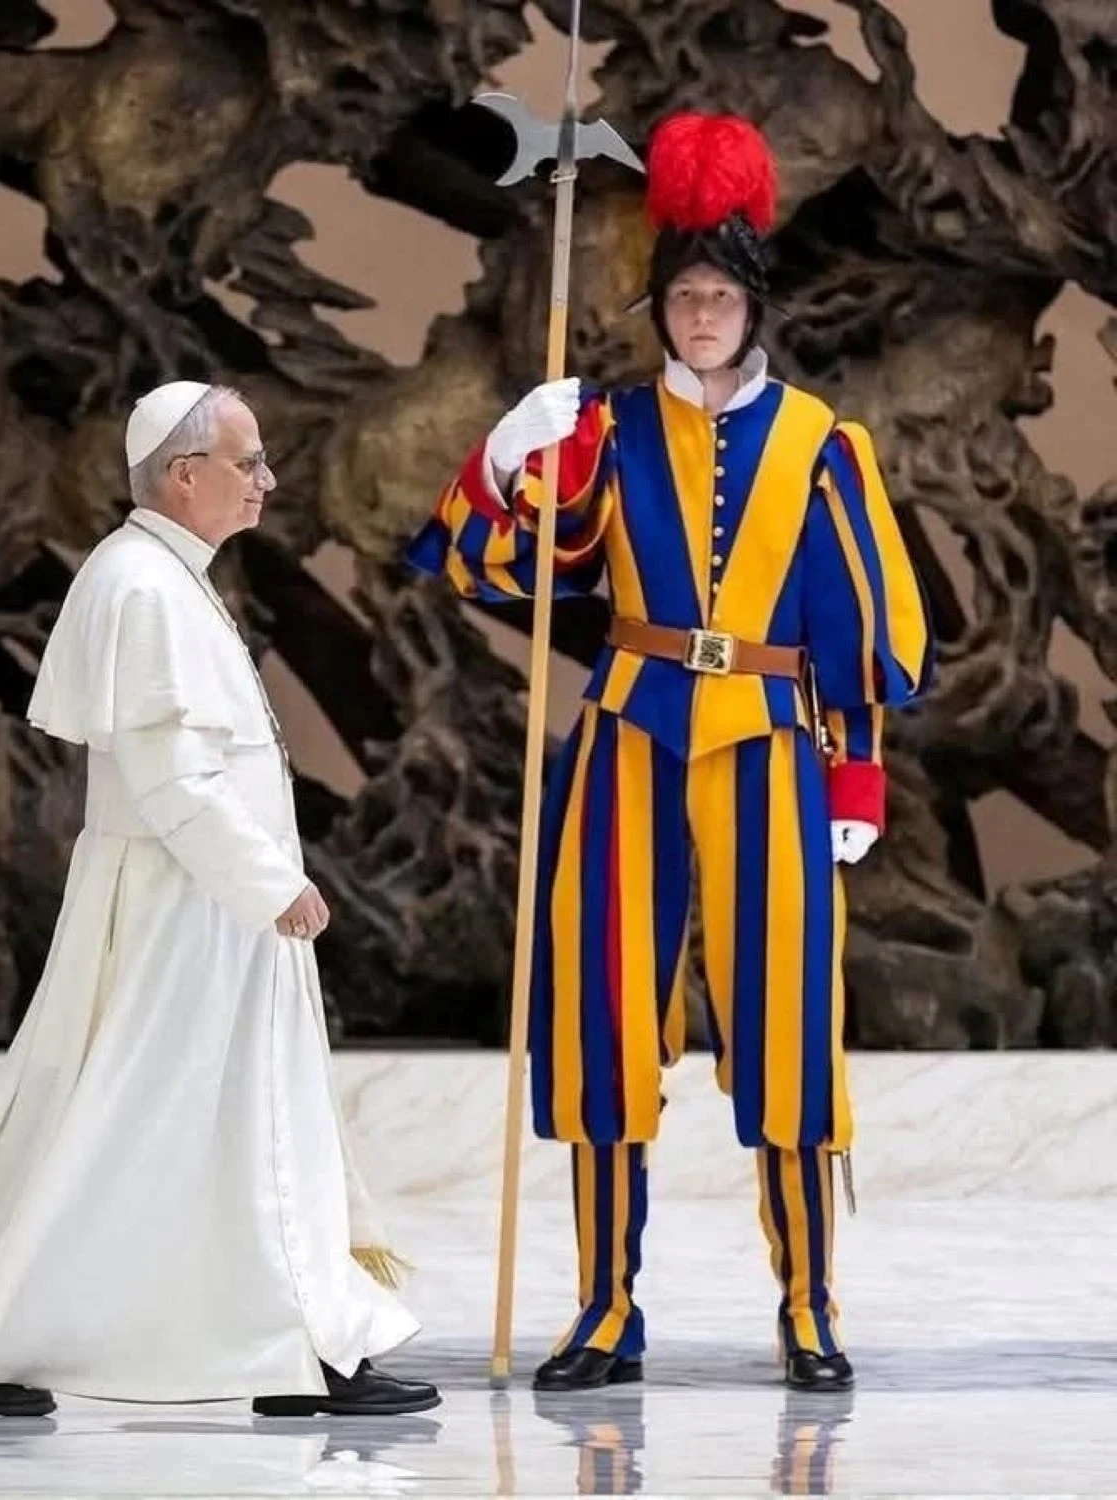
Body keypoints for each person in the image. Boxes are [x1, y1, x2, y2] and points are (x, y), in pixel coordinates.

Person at [407, 112, 933, 1392]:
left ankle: (810, 1306)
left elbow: (858, 621)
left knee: (790, 1021)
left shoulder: (821, 443)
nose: (701, 316)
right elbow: (503, 569)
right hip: (630, 735)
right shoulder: (605, 429)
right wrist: (509, 460)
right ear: (662, 308)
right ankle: (604, 1309)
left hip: (770, 742)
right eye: (684, 297)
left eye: (719, 298)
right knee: (602, 1012)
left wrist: (857, 772)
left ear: (753, 308)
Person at [0, 380, 439, 1420]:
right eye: (249, 462)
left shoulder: (163, 574)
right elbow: (173, 779)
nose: (268, 481)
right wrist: (271, 885)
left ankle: (293, 1349)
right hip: (187, 911)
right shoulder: (145, 588)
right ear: (185, 474)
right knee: (134, 1125)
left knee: (205, 1129)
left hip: (205, 904)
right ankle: (22, 1342)